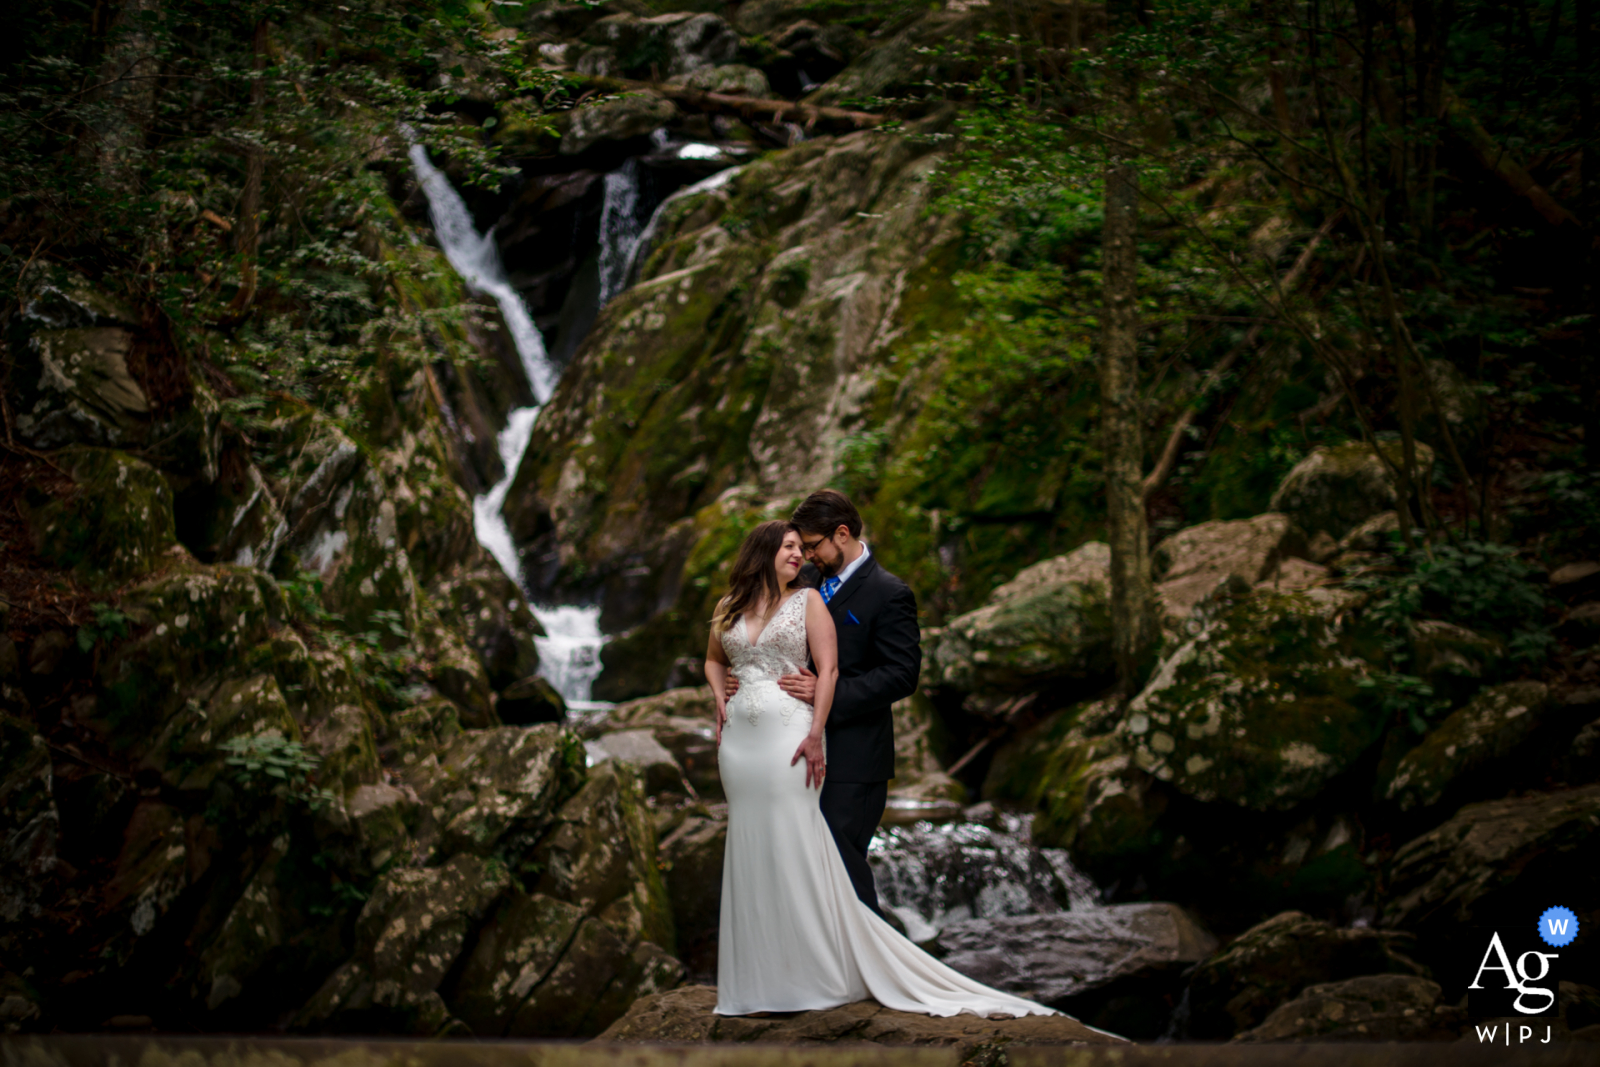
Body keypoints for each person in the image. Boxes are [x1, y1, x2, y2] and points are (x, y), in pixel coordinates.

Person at [704, 518, 1056, 1018]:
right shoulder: (730, 606)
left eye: (803, 548)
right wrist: (720, 695)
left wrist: (816, 732)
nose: (799, 556)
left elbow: (831, 669)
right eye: (789, 548)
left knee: (798, 844)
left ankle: (826, 969)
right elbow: (715, 659)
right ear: (762, 552)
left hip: (790, 735)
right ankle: (758, 975)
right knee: (750, 845)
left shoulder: (810, 599)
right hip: (740, 746)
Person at [722, 489, 919, 914]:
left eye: (812, 546)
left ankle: (869, 970)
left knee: (842, 868)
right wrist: (743, 679)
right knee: (801, 868)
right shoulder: (803, 584)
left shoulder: (888, 593)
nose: (806, 555)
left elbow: (903, 674)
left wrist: (831, 691)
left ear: (842, 534)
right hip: (788, 752)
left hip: (853, 755)